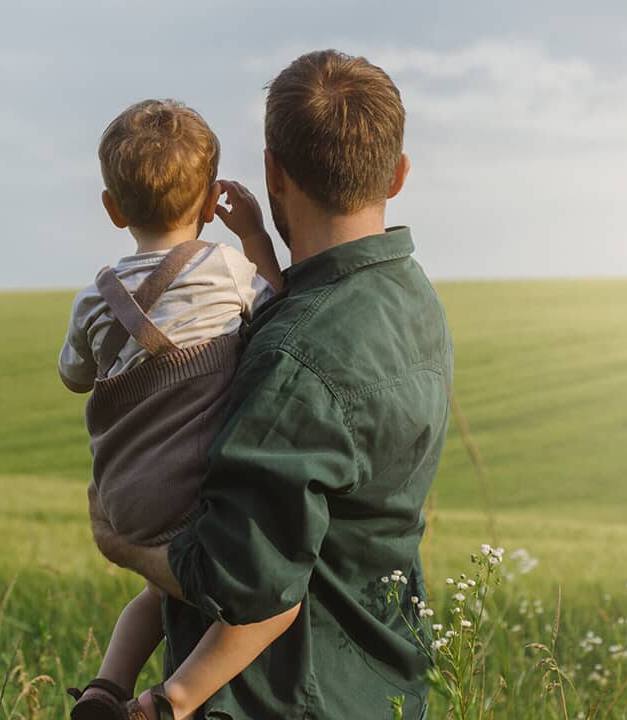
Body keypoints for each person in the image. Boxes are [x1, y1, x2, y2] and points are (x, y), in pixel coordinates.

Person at [88, 50, 454, 719]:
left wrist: (124, 545)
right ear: (398, 174)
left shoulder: (294, 356)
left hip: (279, 697)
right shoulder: (412, 299)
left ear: (272, 174)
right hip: (380, 687)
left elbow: (239, 580)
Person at [58, 98, 299, 720]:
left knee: (156, 593)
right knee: (274, 602)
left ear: (113, 209)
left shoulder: (93, 299)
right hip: (192, 492)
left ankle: (104, 689)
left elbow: (73, 377)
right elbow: (280, 306)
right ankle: (168, 702)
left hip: (123, 497)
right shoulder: (226, 269)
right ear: (211, 200)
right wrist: (254, 236)